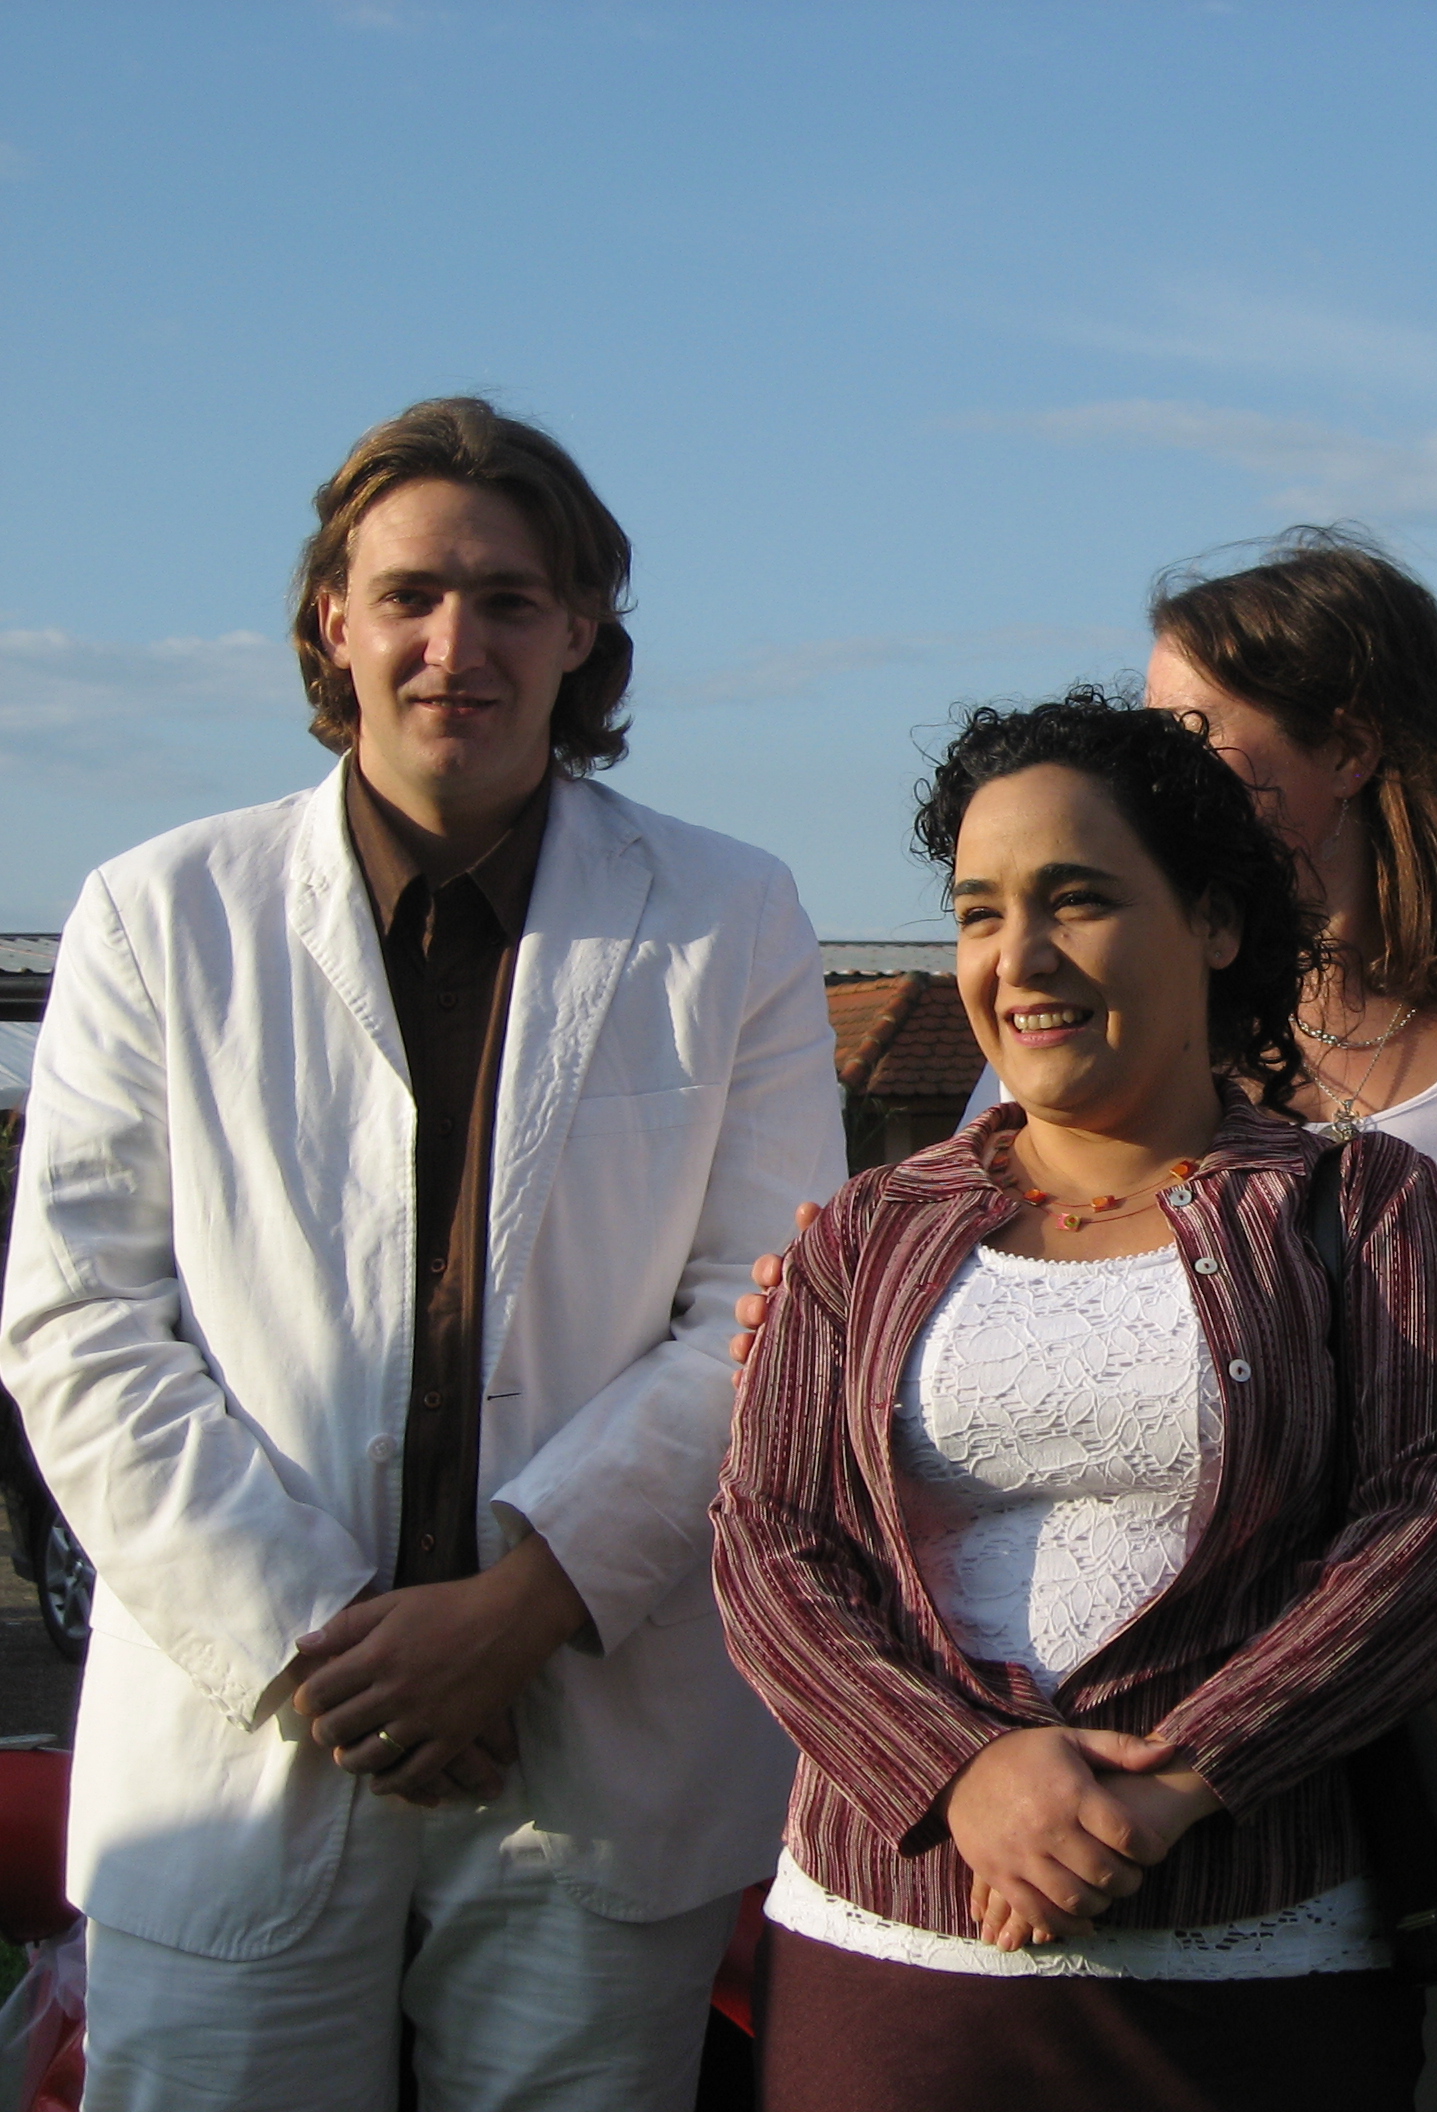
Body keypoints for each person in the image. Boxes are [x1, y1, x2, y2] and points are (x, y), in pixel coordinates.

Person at [0, 397, 845, 2109]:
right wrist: (329, 1640)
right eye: (410, 596)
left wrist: (526, 1604)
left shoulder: (731, 912)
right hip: (244, 1739)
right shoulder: (158, 912)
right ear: (333, 621)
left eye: (509, 599)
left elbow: (764, 1315)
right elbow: (80, 1322)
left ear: (581, 630)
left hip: (596, 1731)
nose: (457, 643)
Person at [711, 691, 1437, 2111]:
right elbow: (769, 1544)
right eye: (979, 914)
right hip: (888, 1963)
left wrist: (1177, 1783)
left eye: (1076, 900)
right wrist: (964, 1776)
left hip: (1252, 1972)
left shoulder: (1362, 1206)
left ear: (1214, 923)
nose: (1018, 958)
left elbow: (1432, 1534)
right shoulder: (864, 1228)